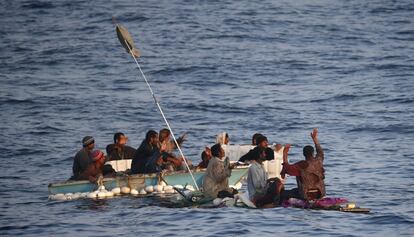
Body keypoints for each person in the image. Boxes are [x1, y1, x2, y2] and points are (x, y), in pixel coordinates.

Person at [281, 128, 326, 201]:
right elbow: (320, 151)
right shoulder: (319, 160)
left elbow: (287, 169)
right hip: (321, 193)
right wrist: (315, 139)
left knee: (283, 194)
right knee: (294, 190)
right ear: (313, 153)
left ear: (303, 154)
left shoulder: (301, 165)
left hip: (305, 194)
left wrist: (285, 154)